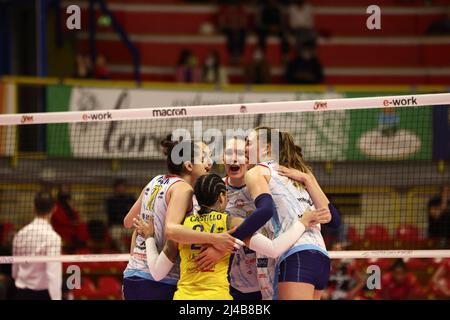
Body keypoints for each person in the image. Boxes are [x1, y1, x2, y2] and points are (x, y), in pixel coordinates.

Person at [133, 173, 324, 300]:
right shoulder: (231, 224)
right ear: (223, 197)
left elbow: (157, 272)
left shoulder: (183, 228)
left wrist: (150, 237)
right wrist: (303, 222)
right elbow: (274, 249)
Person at [122, 140, 237, 300]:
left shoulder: (154, 181)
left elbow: (129, 222)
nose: (207, 163)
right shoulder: (184, 188)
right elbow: (172, 231)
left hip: (132, 275)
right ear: (189, 166)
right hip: (161, 281)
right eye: (202, 158)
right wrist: (215, 239)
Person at [244, 126, 341, 300]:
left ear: (266, 147)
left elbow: (265, 211)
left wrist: (236, 233)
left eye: (248, 143)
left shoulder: (257, 171)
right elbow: (334, 220)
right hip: (321, 257)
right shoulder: (301, 174)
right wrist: (308, 178)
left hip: (296, 255)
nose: (244, 148)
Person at [12, 191, 62, 300]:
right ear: (54, 209)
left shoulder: (20, 234)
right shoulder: (53, 238)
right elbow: (53, 274)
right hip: (42, 294)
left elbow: (15, 269)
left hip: (21, 293)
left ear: (33, 208)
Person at [106, 178, 136, 252]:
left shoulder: (131, 199)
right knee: (115, 235)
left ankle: (136, 252)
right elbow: (111, 216)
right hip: (117, 227)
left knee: (140, 232)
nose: (121, 189)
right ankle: (124, 253)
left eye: (122, 186)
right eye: (119, 187)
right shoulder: (110, 200)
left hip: (130, 226)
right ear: (115, 188)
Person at [51, 184, 84, 250]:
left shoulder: (70, 205)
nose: (65, 193)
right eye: (63, 192)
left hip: (73, 234)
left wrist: (72, 207)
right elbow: (59, 219)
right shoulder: (55, 205)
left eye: (66, 191)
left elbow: (77, 218)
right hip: (61, 233)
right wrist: (72, 223)